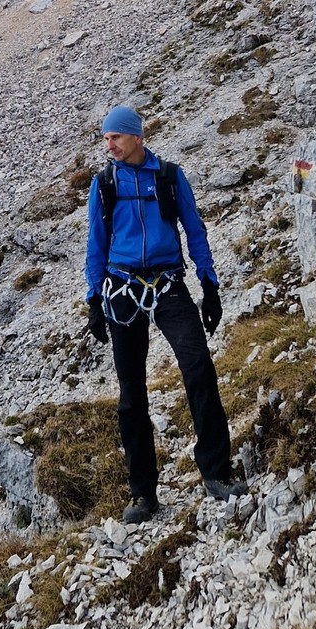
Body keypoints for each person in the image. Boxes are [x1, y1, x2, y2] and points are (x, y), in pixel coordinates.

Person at [85, 104, 246, 520]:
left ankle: (216, 471)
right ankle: (143, 493)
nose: (109, 145)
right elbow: (96, 244)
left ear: (137, 136)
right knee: (131, 392)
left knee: (198, 367)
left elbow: (195, 229)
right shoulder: (103, 184)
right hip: (120, 290)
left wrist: (209, 285)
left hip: (169, 284)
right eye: (105, 138)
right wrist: (93, 300)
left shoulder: (169, 177)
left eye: (115, 137)